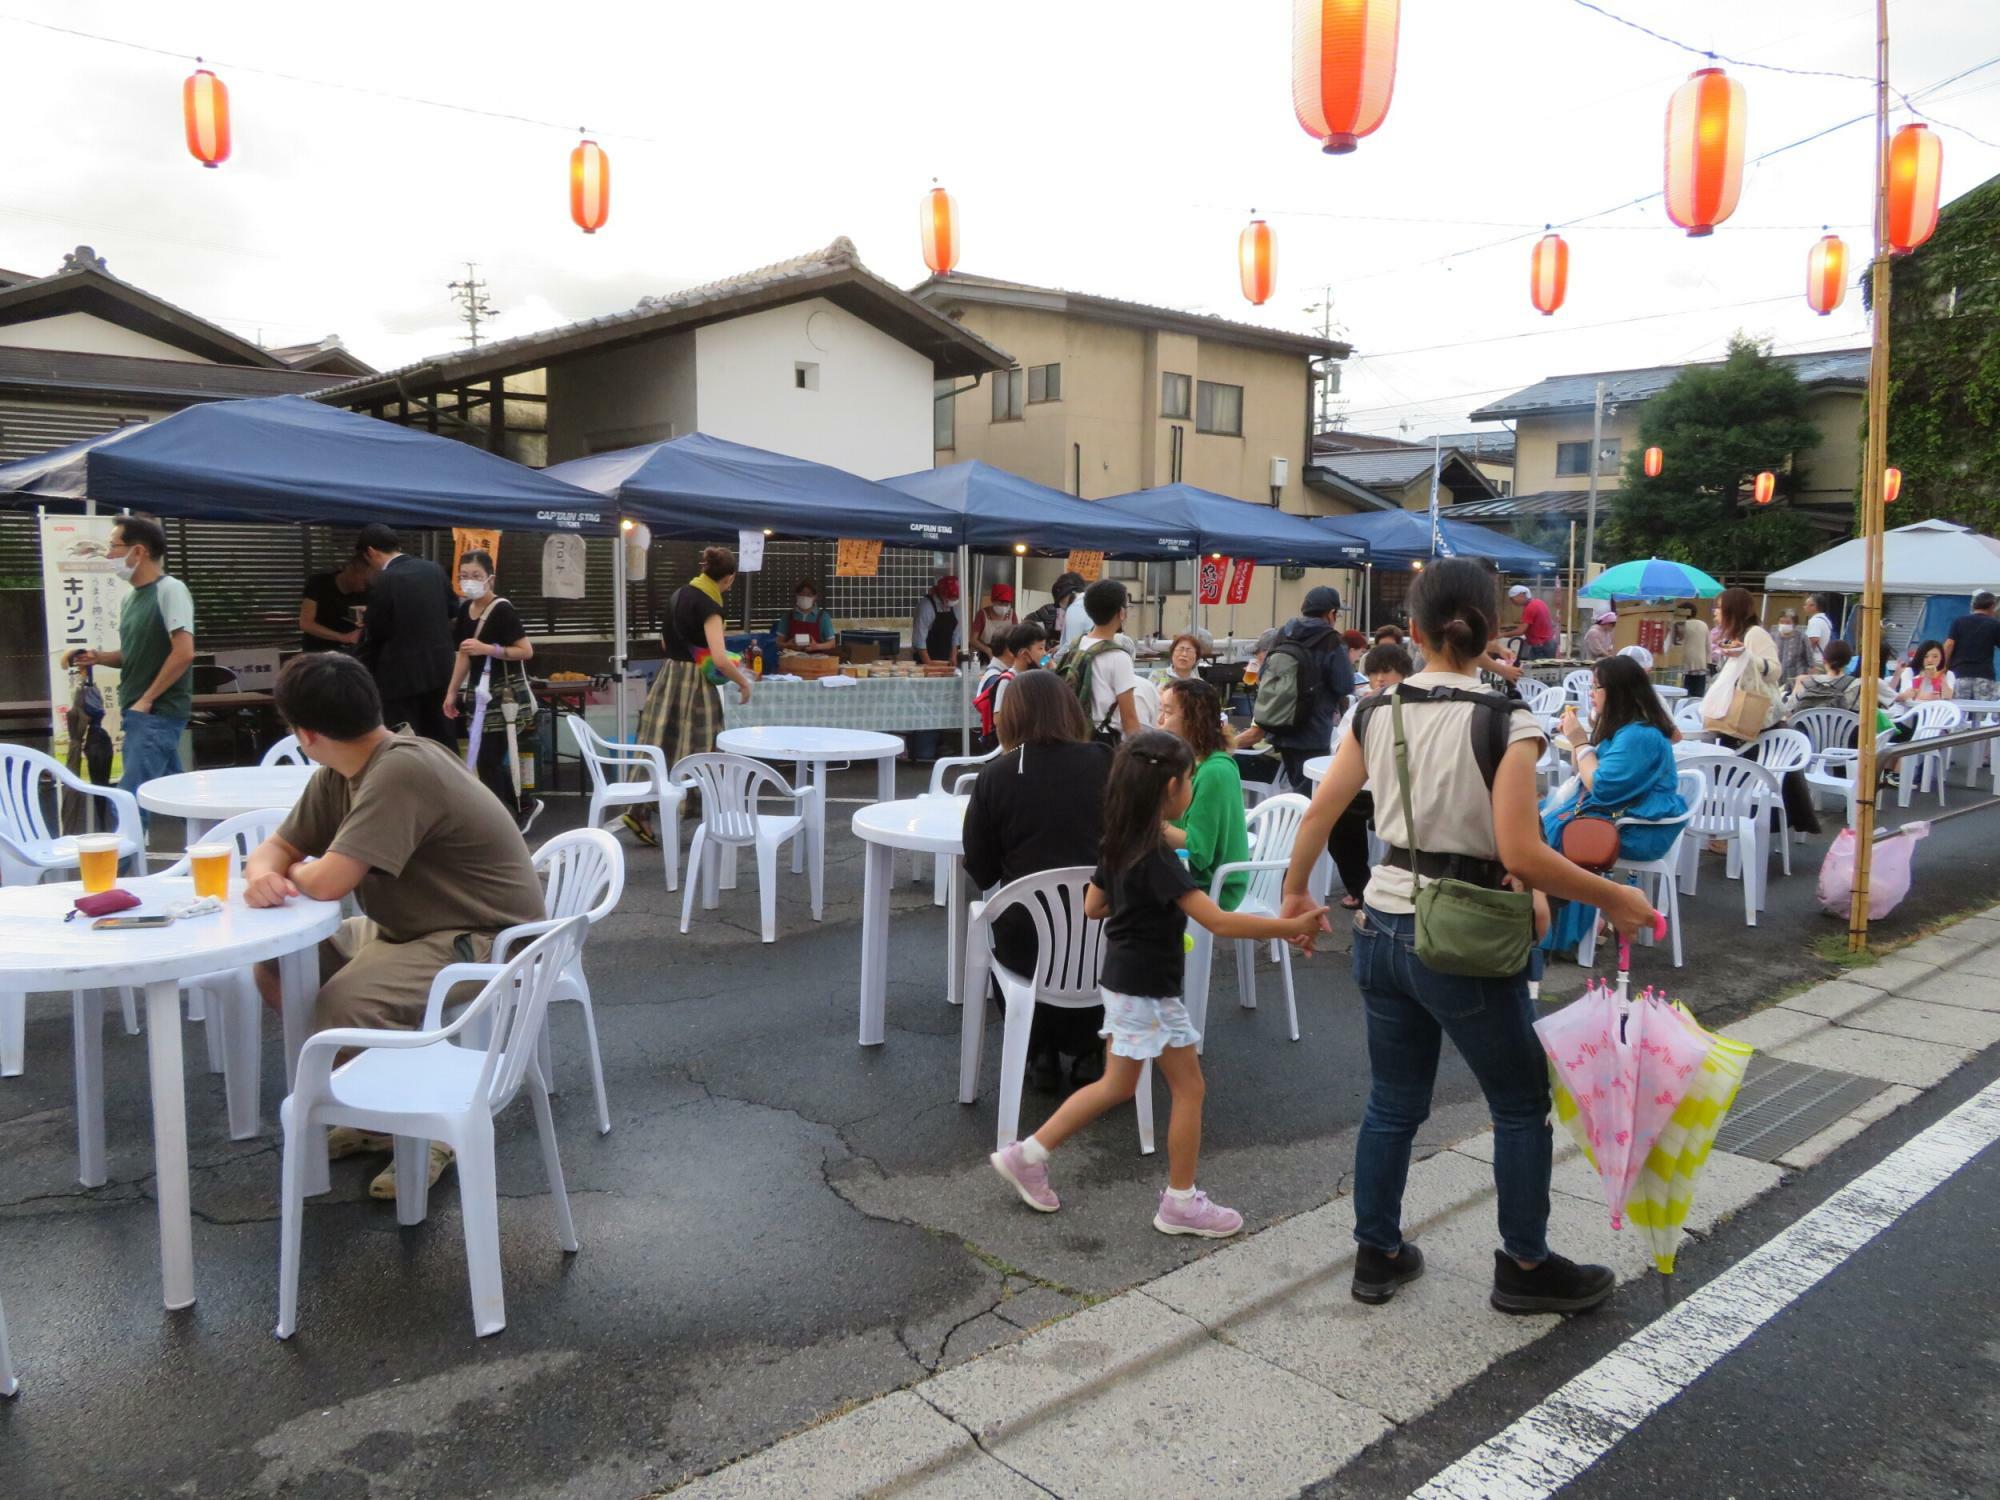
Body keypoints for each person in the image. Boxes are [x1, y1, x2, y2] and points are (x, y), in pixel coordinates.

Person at [1278, 557, 1653, 1313]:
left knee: (1393, 1101)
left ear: (1412, 631)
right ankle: (1523, 1265)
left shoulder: (1373, 711)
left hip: (1380, 922)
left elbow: (1319, 813)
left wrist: (1294, 894)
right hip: (1464, 937)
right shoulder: (1506, 720)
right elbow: (1519, 852)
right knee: (1517, 1103)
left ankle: (1377, 1252)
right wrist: (1616, 896)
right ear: (1492, 632)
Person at [989, 730, 1326, 1236]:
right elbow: (1220, 922)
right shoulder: (1158, 856)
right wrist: (1291, 926)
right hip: (1147, 986)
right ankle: (1180, 1202)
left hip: (1124, 981)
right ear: (1170, 787)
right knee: (1189, 1088)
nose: (1191, 785)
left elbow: (1092, 906)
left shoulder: (1121, 842)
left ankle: (1027, 1154)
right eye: (1189, 778)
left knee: (1117, 1085)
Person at [243, 653, 546, 1199]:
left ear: (305, 733)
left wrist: (287, 869)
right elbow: (280, 845)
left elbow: (329, 881)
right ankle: (378, 1119)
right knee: (280, 965)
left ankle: (429, 1132)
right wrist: (263, 870)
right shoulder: (342, 772)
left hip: (486, 935)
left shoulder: (402, 768)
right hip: (410, 928)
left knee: (344, 1007)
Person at [962, 669, 1114, 1092]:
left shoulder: (996, 775)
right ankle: (1091, 1049)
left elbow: (982, 867)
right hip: (1107, 930)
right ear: (1069, 710)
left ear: (1011, 718)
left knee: (1006, 928)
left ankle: (1038, 1051)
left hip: (1027, 941)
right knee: (1094, 945)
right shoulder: (1107, 760)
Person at [1540, 654, 1688, 955]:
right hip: (1621, 815)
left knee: (1545, 834)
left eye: (1597, 687)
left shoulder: (1639, 736)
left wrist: (1580, 742)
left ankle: (1569, 928)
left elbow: (1602, 786)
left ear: (1617, 691)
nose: (1590, 694)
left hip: (1636, 828)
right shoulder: (1632, 729)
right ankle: (1572, 924)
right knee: (1539, 824)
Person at [65, 514, 195, 802]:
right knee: (181, 800)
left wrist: (147, 700)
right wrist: (97, 658)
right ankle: (208, 845)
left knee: (130, 801)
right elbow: (135, 654)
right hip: (139, 712)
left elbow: (184, 652)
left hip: (155, 712)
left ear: (138, 551)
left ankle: (128, 849)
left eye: (114, 547)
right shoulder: (130, 598)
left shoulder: (170, 590)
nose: (109, 555)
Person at [629, 546, 754, 843]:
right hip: (695, 682)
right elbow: (720, 659)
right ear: (729, 577)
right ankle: (701, 814)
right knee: (700, 747)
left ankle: (639, 810)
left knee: (658, 743)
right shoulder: (710, 604)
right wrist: (744, 682)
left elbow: (664, 644)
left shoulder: (678, 595)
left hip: (667, 676)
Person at [441, 550, 543, 835]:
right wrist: (452, 692)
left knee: (487, 759)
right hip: (479, 696)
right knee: (482, 759)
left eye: (476, 576)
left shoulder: (502, 610)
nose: (469, 581)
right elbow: (463, 654)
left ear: (490, 579)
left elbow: (526, 651)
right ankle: (513, 810)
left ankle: (517, 810)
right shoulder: (465, 610)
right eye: (464, 576)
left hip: (505, 698)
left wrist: (489, 649)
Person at [1235, 585, 1355, 792]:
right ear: (1331, 613)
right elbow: (1344, 685)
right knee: (1310, 791)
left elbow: (1265, 674)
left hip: (1280, 726)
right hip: (1313, 731)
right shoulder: (1331, 640)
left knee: (1296, 785)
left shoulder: (1284, 632)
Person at [1326, 642, 1413, 910]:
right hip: (1365, 788)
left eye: (1386, 671)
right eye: (1374, 672)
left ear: (1404, 675)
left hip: (1404, 788)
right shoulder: (1361, 707)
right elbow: (1339, 748)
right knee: (1338, 824)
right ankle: (1361, 887)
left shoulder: (1414, 705)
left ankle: (1403, 888)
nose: (1379, 679)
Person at [353, 523, 457, 748]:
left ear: (371, 552)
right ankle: (450, 782)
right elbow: (452, 609)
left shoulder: (386, 580)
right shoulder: (434, 569)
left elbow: (376, 632)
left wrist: (359, 666)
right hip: (441, 671)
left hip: (399, 679)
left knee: (405, 745)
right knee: (443, 740)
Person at [1158, 676, 1248, 910]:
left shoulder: (1215, 771)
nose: (1159, 722)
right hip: (1184, 870)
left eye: (1167, 713)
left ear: (1192, 720)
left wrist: (1148, 822)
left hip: (1214, 887)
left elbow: (1198, 851)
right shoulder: (1189, 761)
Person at [1060, 579, 1141, 743]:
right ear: (1121, 612)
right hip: (1103, 740)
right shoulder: (1119, 657)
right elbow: (1129, 719)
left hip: (1074, 735)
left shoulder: (1078, 644)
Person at [1705, 588, 1782, 738]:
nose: (1715, 611)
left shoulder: (1754, 633)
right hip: (1732, 711)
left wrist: (1746, 656)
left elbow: (1775, 671)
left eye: (1719, 607)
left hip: (1751, 715)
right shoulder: (1732, 636)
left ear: (1732, 610)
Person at [299, 555, 371, 653]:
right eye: (364, 580)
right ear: (350, 570)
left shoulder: (368, 591)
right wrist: (342, 637)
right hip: (318, 651)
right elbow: (306, 623)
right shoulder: (319, 583)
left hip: (352, 652)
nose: (366, 585)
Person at [972, 624, 1028, 752]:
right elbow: (1000, 720)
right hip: (1002, 746)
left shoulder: (998, 672)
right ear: (1010, 650)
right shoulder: (999, 679)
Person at [1780, 639, 1865, 717]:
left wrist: (1797, 685)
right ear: (1849, 661)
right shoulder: (1857, 685)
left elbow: (1788, 711)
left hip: (1808, 732)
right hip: (1842, 732)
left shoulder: (1806, 682)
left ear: (1824, 660)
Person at [1944, 591, 2000, 702]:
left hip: (1959, 674)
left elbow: (1949, 644)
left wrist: (1943, 668)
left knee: (1960, 711)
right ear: (1992, 606)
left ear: (1974, 605)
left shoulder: (1959, 622)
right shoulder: (1995, 624)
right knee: (1981, 713)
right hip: (1984, 675)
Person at [776, 578, 838, 655]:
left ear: (815, 597)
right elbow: (778, 643)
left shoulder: (823, 617)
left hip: (817, 662)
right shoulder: (787, 616)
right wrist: (788, 645)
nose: (805, 597)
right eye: (801, 594)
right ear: (796, 595)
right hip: (792, 661)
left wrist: (816, 646)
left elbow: (832, 643)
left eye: (809, 594)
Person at [1025, 571, 1085, 647]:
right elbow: (1028, 620)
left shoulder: (1077, 610)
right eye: (1059, 600)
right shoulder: (1048, 611)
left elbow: (1069, 645)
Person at [913, 574, 961, 667]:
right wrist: (930, 666)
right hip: (925, 659)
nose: (953, 601)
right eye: (950, 598)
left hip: (946, 660)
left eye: (955, 599)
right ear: (941, 594)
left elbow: (956, 635)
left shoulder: (956, 607)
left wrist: (953, 657)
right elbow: (919, 641)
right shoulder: (926, 607)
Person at [1893, 639, 1955, 704]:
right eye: (1926, 656)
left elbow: (1947, 697)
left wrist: (1942, 680)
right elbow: (1910, 693)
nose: (1930, 660)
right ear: (1920, 657)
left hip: (1934, 711)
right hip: (1907, 711)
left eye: (1935, 656)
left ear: (1941, 658)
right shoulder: (1909, 671)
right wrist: (1922, 677)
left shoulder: (1948, 674)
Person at [1509, 585, 1559, 661]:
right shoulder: (1539, 602)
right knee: (1544, 669)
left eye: (1513, 599)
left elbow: (1520, 631)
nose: (1512, 602)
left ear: (1521, 595)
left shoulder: (1530, 608)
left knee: (1535, 670)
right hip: (1548, 643)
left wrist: (1502, 634)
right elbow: (1549, 623)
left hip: (1541, 647)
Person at [972, 583, 1018, 659]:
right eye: (1000, 602)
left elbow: (1016, 638)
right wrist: (987, 650)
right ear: (993, 601)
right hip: (984, 655)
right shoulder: (982, 614)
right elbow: (973, 640)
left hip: (1005, 653)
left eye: (1006, 604)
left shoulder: (1012, 615)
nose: (1003, 606)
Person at [1676, 604, 1711, 699]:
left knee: (1684, 695)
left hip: (1685, 665)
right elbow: (1708, 645)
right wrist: (1708, 662)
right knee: (1698, 696)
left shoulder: (1681, 625)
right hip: (1701, 665)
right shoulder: (1703, 625)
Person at [1775, 609, 1810, 684]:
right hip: (1776, 679)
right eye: (1781, 622)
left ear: (1794, 624)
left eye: (1788, 622)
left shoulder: (1802, 638)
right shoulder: (1773, 637)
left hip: (1795, 678)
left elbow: (1810, 660)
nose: (1784, 624)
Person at [1805, 593, 1837, 672]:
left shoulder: (1815, 621)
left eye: (1807, 605)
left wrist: (1806, 655)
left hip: (1816, 661)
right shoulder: (1825, 620)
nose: (1804, 607)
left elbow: (1814, 639)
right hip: (1824, 659)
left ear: (1814, 606)